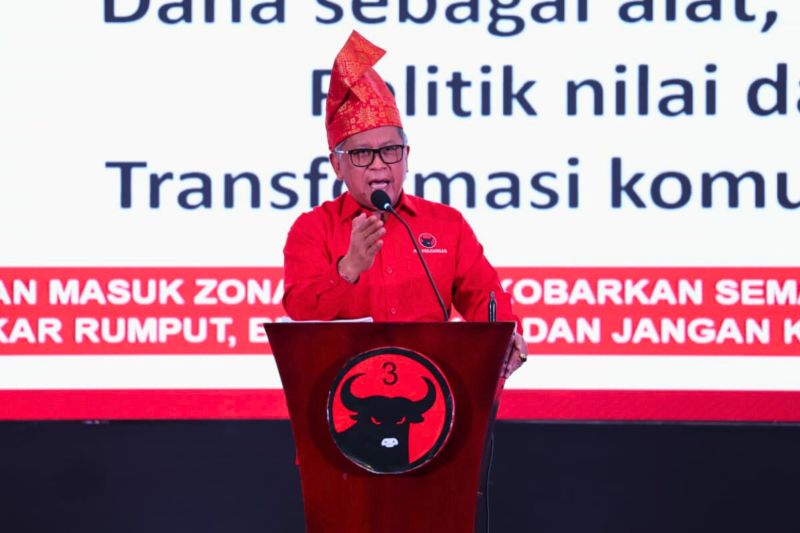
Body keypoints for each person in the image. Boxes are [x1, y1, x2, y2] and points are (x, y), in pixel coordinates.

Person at [282, 31, 527, 377]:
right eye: (362, 154)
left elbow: (484, 297)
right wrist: (348, 269)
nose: (379, 165)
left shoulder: (447, 224)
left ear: (406, 156)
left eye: (390, 151)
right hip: (345, 394)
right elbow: (299, 313)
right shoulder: (312, 229)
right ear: (337, 165)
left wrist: (505, 335)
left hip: (434, 391)